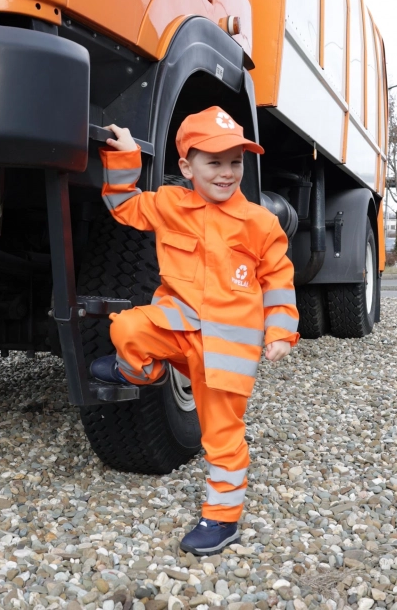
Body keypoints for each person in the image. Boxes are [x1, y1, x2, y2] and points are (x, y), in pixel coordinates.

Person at [90, 106, 300, 555]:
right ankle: (143, 372)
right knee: (127, 327)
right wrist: (128, 156)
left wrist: (280, 332)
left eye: (236, 162)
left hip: (226, 352)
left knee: (221, 436)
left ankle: (222, 519)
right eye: (214, 162)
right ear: (186, 167)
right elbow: (123, 206)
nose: (227, 173)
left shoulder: (261, 223)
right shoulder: (170, 204)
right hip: (179, 327)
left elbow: (278, 279)